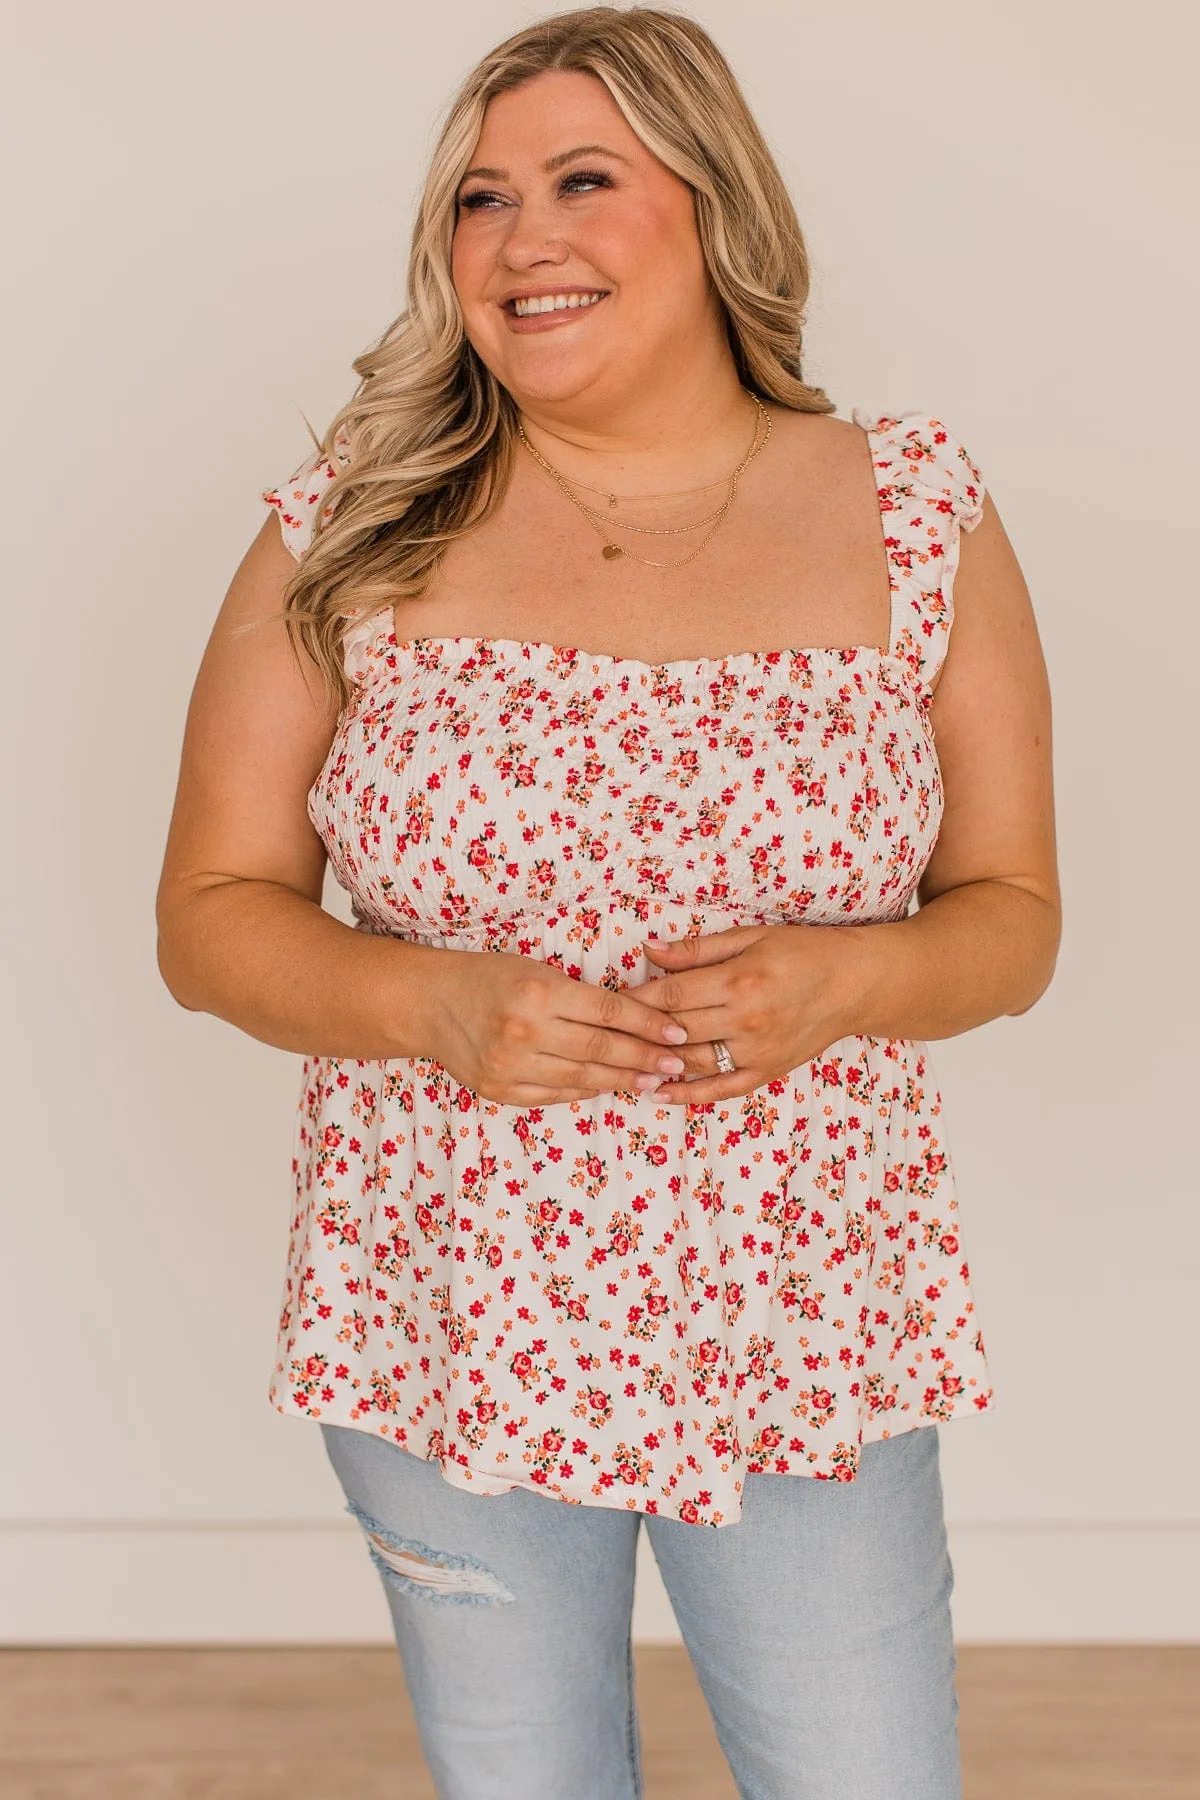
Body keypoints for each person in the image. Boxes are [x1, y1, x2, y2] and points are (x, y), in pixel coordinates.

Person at [156, 7, 1060, 1796]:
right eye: (480, 200)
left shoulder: (913, 510)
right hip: (449, 1311)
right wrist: (432, 1007)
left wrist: (850, 982)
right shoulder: (353, 520)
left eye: (583, 179)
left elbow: (1015, 912)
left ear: (716, 207)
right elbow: (210, 907)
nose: (521, 239)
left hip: (810, 1312)